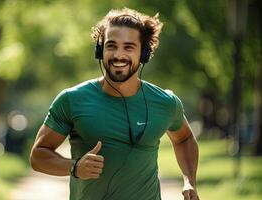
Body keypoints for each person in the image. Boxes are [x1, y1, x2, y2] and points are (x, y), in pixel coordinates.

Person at [30, 7, 199, 200]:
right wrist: (74, 167)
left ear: (144, 53)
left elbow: (184, 138)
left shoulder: (165, 103)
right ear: (100, 50)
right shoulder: (72, 100)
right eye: (111, 45)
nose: (119, 55)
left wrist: (189, 181)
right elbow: (38, 156)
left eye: (128, 47)